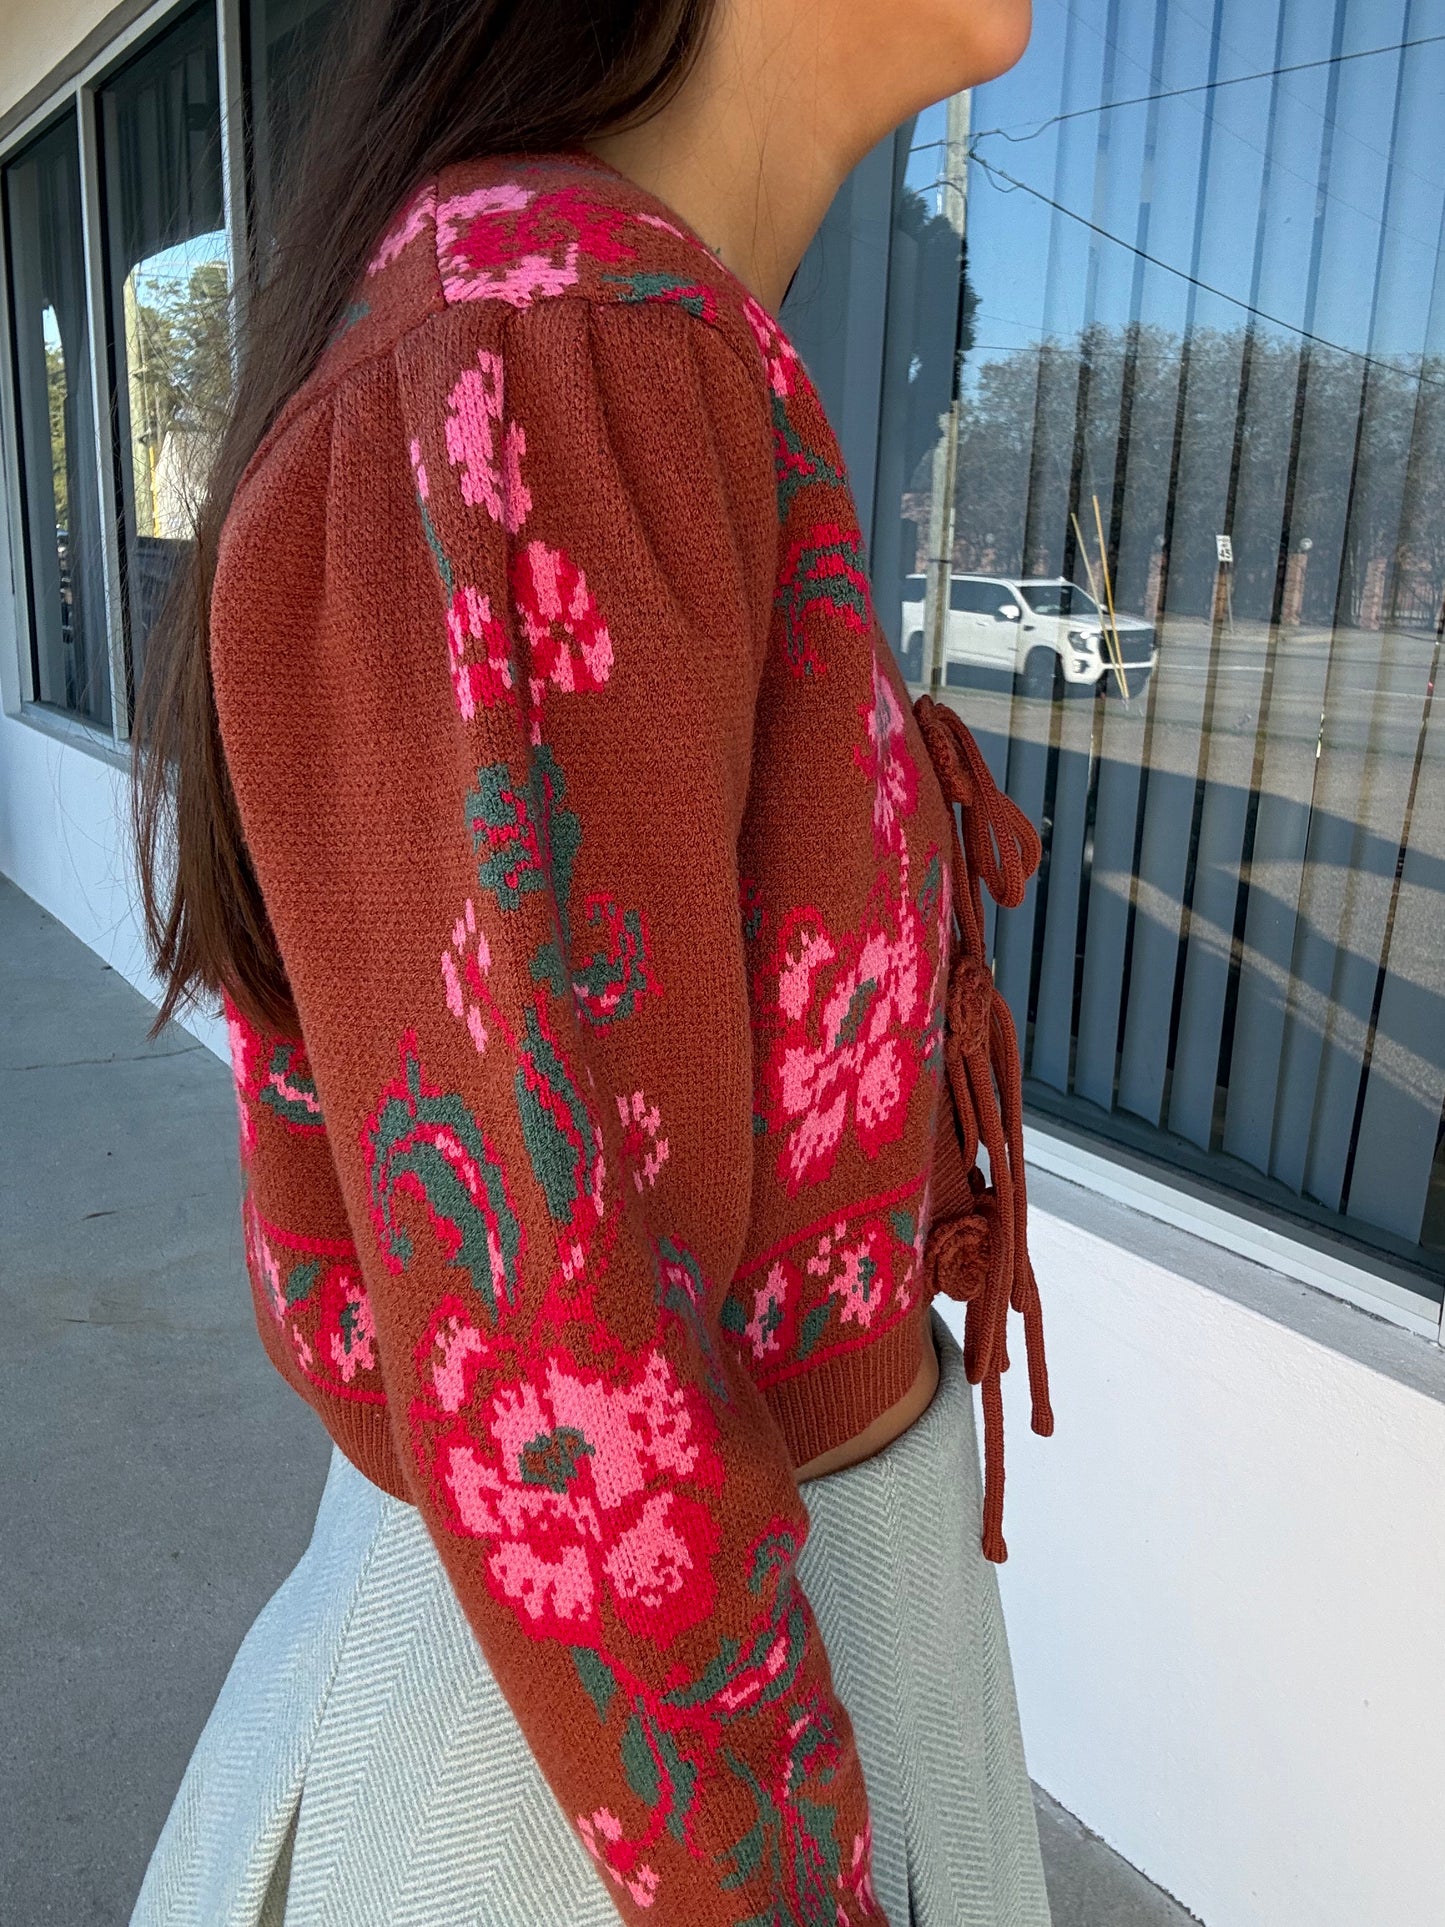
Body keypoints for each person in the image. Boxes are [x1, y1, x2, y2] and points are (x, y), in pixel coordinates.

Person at [129, 2, 1053, 1922]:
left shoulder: (618, 336)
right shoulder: (543, 348)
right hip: (625, 1796)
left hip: (726, 1702)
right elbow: (560, 1352)